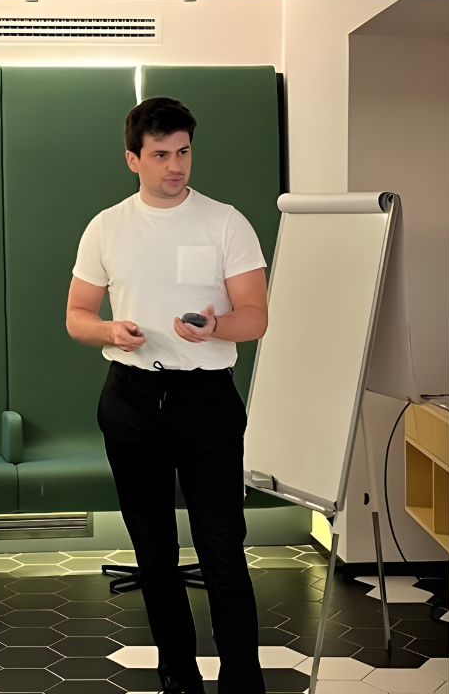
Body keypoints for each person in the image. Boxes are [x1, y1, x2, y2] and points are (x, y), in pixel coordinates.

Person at [66, 96, 268, 694]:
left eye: (183, 152)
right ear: (133, 158)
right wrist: (110, 330)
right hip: (130, 397)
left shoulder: (226, 221)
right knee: (153, 550)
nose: (175, 166)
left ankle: (242, 680)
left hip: (205, 401)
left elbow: (255, 317)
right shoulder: (106, 226)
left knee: (222, 548)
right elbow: (77, 315)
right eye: (160, 155)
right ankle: (177, 675)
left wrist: (215, 328)